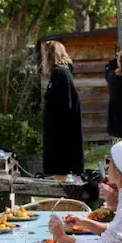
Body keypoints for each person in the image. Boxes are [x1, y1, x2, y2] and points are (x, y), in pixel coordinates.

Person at [41, 40, 84, 177]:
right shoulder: (59, 73)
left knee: (60, 170)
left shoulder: (61, 74)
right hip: (58, 133)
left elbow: (65, 105)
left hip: (60, 136)